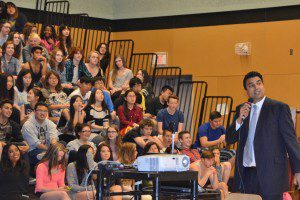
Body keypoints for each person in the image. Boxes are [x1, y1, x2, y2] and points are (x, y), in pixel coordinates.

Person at [226, 71, 300, 199]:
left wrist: (298, 170)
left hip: (271, 174)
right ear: (246, 91)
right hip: (246, 175)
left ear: (263, 85)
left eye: (258, 83)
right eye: (251, 85)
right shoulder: (241, 109)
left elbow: (291, 140)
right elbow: (229, 139)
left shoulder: (279, 108)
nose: (256, 87)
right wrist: (239, 120)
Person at [22, 102, 58, 167]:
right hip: (33, 150)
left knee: (62, 145)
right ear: (35, 112)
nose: (42, 113)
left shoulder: (50, 123)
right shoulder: (28, 125)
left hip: (47, 149)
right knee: (46, 155)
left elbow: (53, 137)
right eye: (40, 111)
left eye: (45, 111)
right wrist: (51, 151)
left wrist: (54, 148)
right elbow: (37, 144)